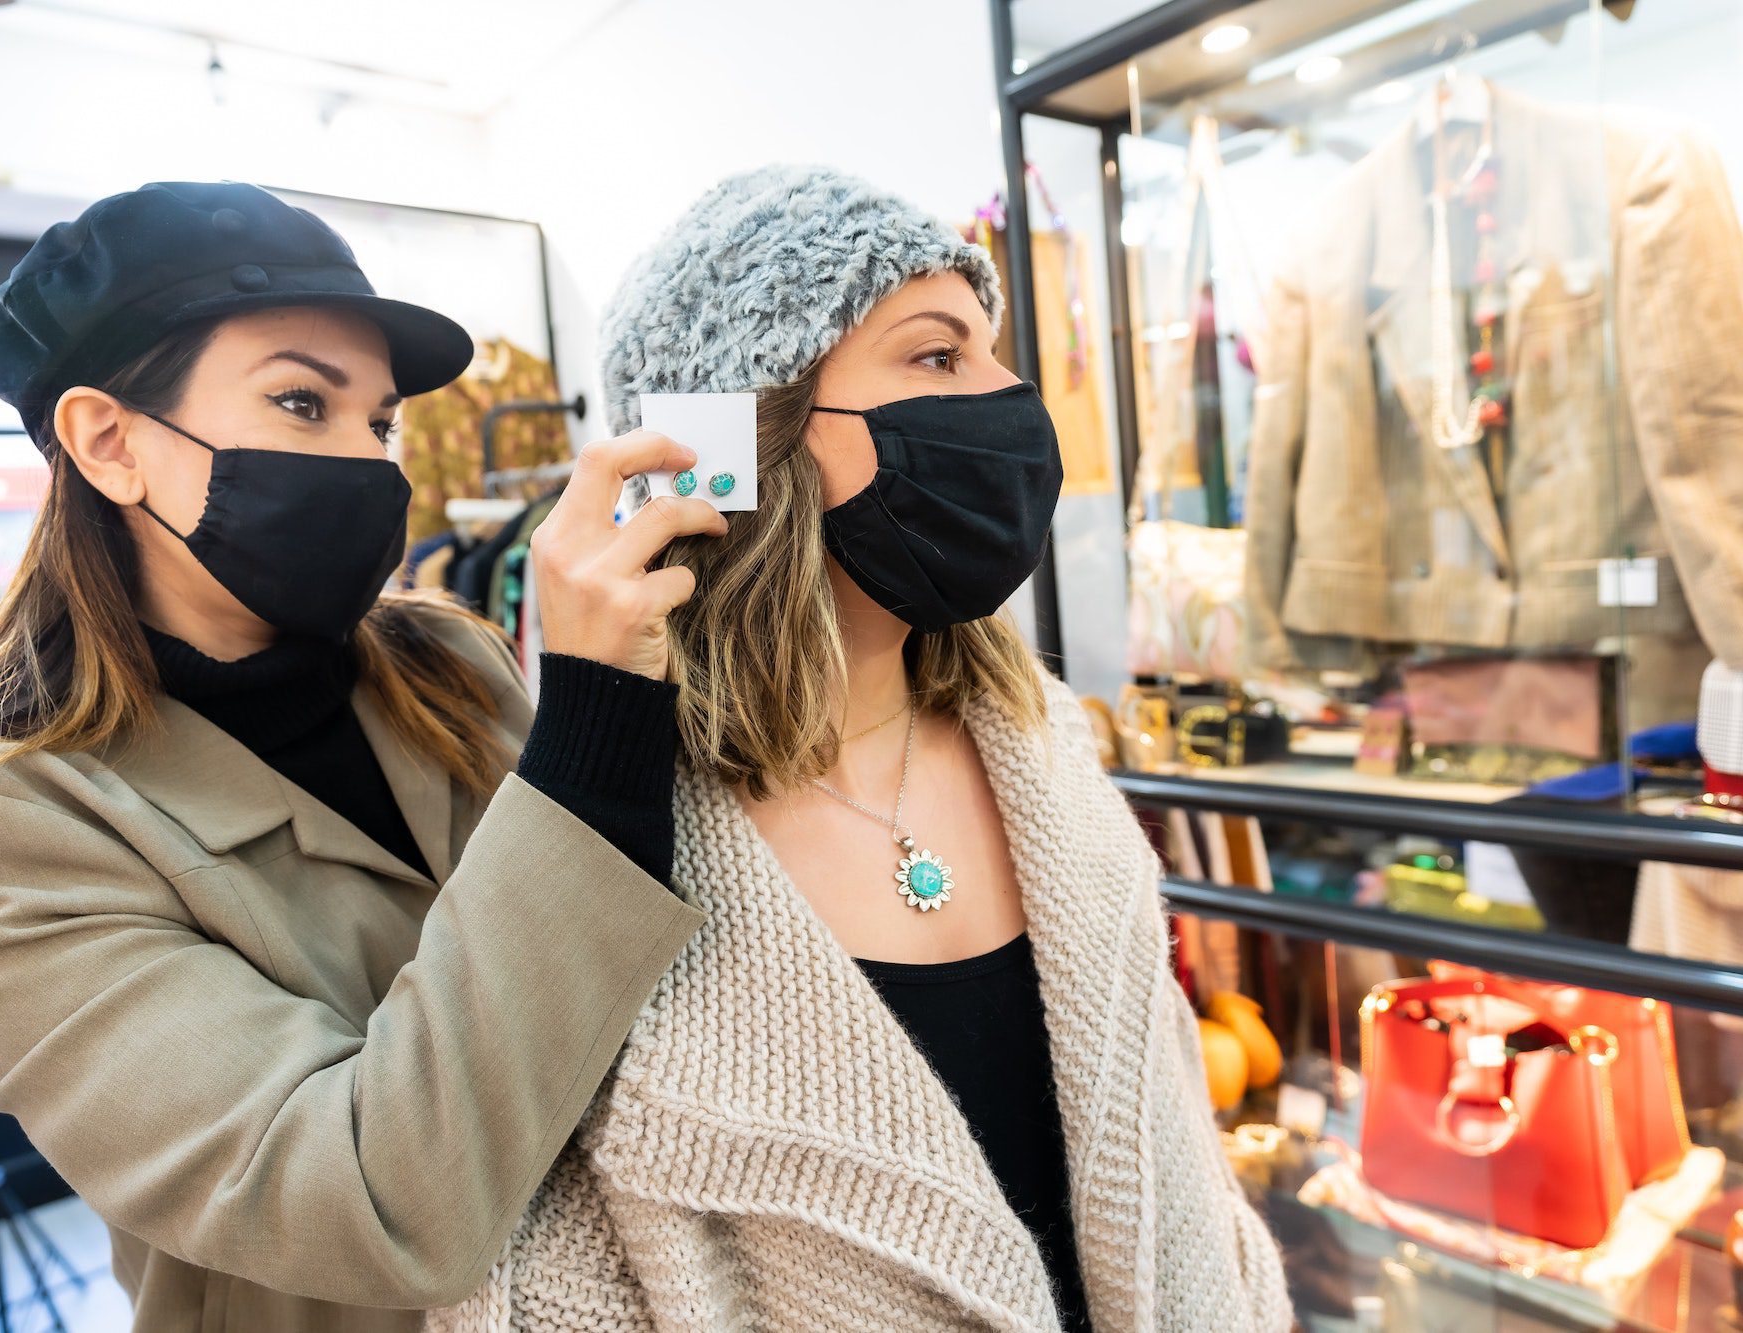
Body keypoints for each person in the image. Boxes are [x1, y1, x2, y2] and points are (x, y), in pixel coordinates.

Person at [0, 180, 730, 1331]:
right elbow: (374, 1202)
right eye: (302, 401)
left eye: (380, 420)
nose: (366, 461)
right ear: (109, 442)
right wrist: (594, 715)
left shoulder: (449, 666)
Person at [431, 167, 1292, 1332]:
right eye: (937, 358)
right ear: (735, 439)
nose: (1006, 398)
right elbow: (545, 1283)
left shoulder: (1040, 748)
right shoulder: (611, 852)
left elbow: (1176, 1177)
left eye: (991, 354)